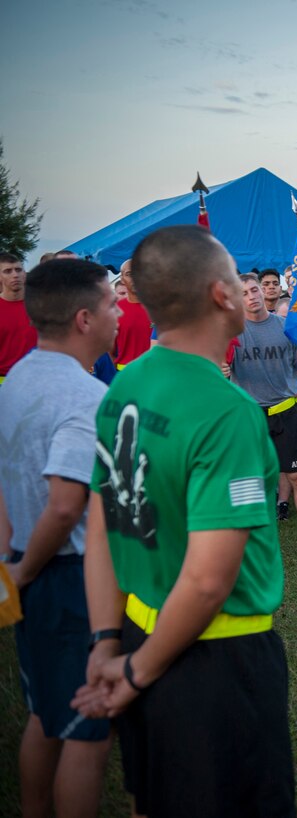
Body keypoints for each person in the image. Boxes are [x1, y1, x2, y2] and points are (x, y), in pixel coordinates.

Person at [71, 225, 296, 816]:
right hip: (216, 661)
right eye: (238, 281)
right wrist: (137, 672)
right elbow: (207, 581)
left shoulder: (126, 382)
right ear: (222, 295)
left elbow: (102, 522)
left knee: (158, 797)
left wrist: (106, 643)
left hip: (140, 631)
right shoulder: (228, 412)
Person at [0, 258, 118, 818]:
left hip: (25, 558)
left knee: (44, 712)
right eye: (111, 303)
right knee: (86, 728)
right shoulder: (85, 397)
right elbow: (67, 504)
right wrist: (22, 575)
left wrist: (11, 560)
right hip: (65, 575)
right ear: (83, 318)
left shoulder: (20, 375)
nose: (119, 312)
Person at [231, 274, 297, 563]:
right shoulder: (230, 333)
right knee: (252, 480)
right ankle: (249, 546)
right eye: (244, 292)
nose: (251, 296)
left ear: (263, 291)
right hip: (249, 416)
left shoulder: (287, 328)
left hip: (285, 412)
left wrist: (290, 392)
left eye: (254, 289)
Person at [0, 252, 37, 382]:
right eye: (8, 271)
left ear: (24, 274)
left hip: (36, 380)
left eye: (18, 270)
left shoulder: (41, 307)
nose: (15, 275)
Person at [112, 259, 153, 369]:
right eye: (129, 274)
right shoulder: (114, 310)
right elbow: (108, 352)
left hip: (157, 376)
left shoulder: (162, 308)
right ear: (122, 279)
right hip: (124, 374)